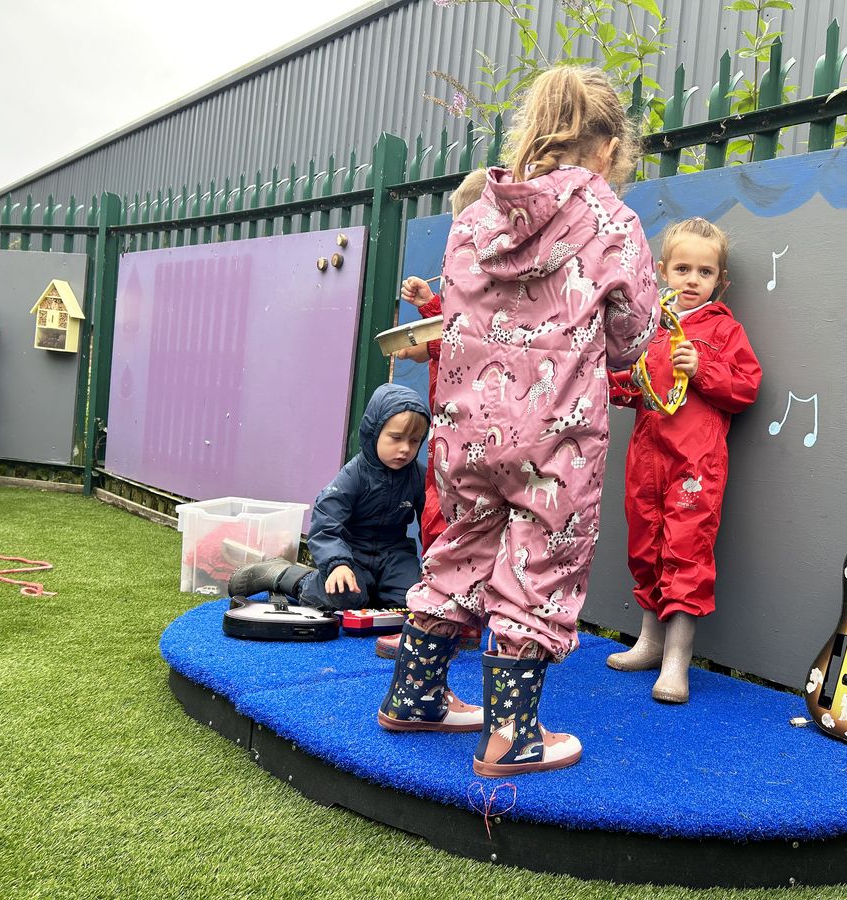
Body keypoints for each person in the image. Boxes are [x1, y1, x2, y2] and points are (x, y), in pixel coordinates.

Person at [376, 65, 660, 776]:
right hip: (555, 434)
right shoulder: (612, 224)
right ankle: (511, 737)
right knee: (539, 569)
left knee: (460, 552)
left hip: (467, 423)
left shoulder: (474, 218)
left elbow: (457, 310)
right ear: (608, 149)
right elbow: (633, 337)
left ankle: (414, 696)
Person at [606, 217, 762, 703]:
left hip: (695, 463)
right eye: (682, 269)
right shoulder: (649, 328)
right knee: (644, 544)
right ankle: (650, 641)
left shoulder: (724, 330)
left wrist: (704, 367)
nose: (692, 280)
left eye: (704, 272)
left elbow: (746, 388)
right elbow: (631, 388)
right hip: (646, 459)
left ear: (721, 281)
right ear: (660, 272)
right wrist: (611, 377)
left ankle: (678, 658)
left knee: (686, 549)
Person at [373, 168, 488, 660]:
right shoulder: (463, 276)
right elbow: (445, 336)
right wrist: (428, 305)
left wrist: (432, 318)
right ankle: (444, 620)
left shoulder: (501, 278)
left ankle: (454, 622)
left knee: (463, 520)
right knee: (441, 517)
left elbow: (471, 335)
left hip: (479, 424)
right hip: (450, 422)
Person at [227, 383, 429, 612]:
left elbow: (432, 524)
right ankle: (288, 575)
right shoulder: (354, 475)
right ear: (374, 432)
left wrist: (439, 570)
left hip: (395, 554)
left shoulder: (419, 476)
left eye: (414, 441)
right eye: (396, 438)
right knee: (340, 599)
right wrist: (338, 563)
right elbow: (326, 524)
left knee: (415, 603)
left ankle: (373, 592)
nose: (405, 448)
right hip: (352, 553)